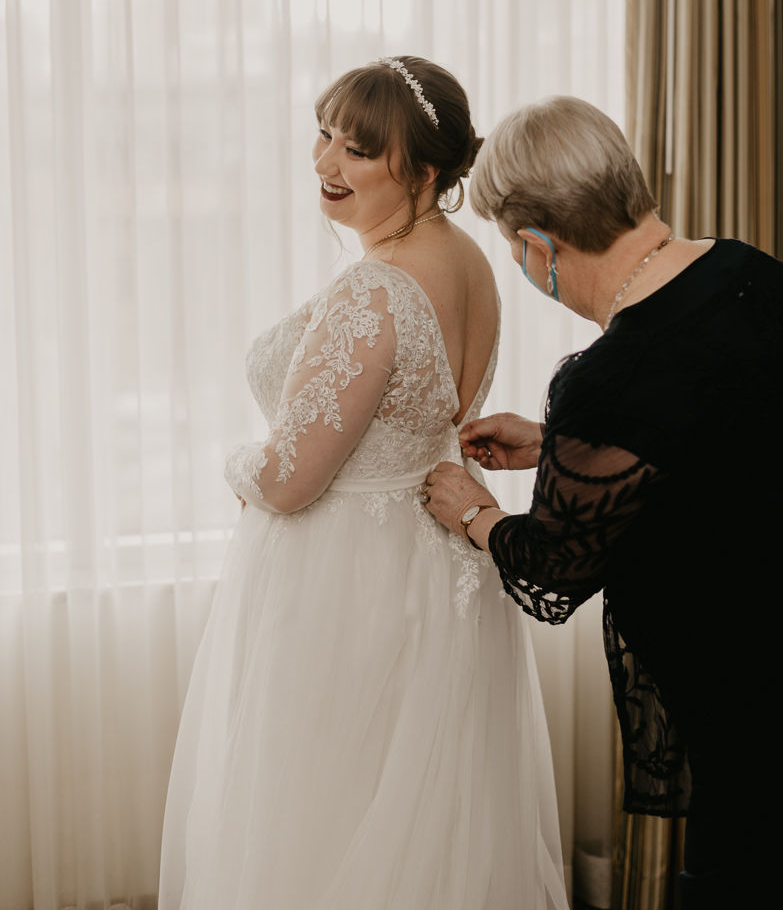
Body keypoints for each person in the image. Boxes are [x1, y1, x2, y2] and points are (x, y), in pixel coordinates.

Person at [158, 58, 568, 910]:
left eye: (359, 150)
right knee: (421, 821)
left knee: (320, 815)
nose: (326, 163)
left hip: (346, 584)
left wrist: (233, 463)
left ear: (423, 172)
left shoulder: (377, 291)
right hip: (439, 570)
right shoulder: (473, 267)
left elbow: (288, 479)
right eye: (325, 134)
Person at [423, 95, 783, 909]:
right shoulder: (749, 273)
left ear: (536, 245)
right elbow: (722, 435)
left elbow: (555, 572)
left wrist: (473, 512)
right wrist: (558, 442)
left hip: (756, 699)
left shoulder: (611, 378)